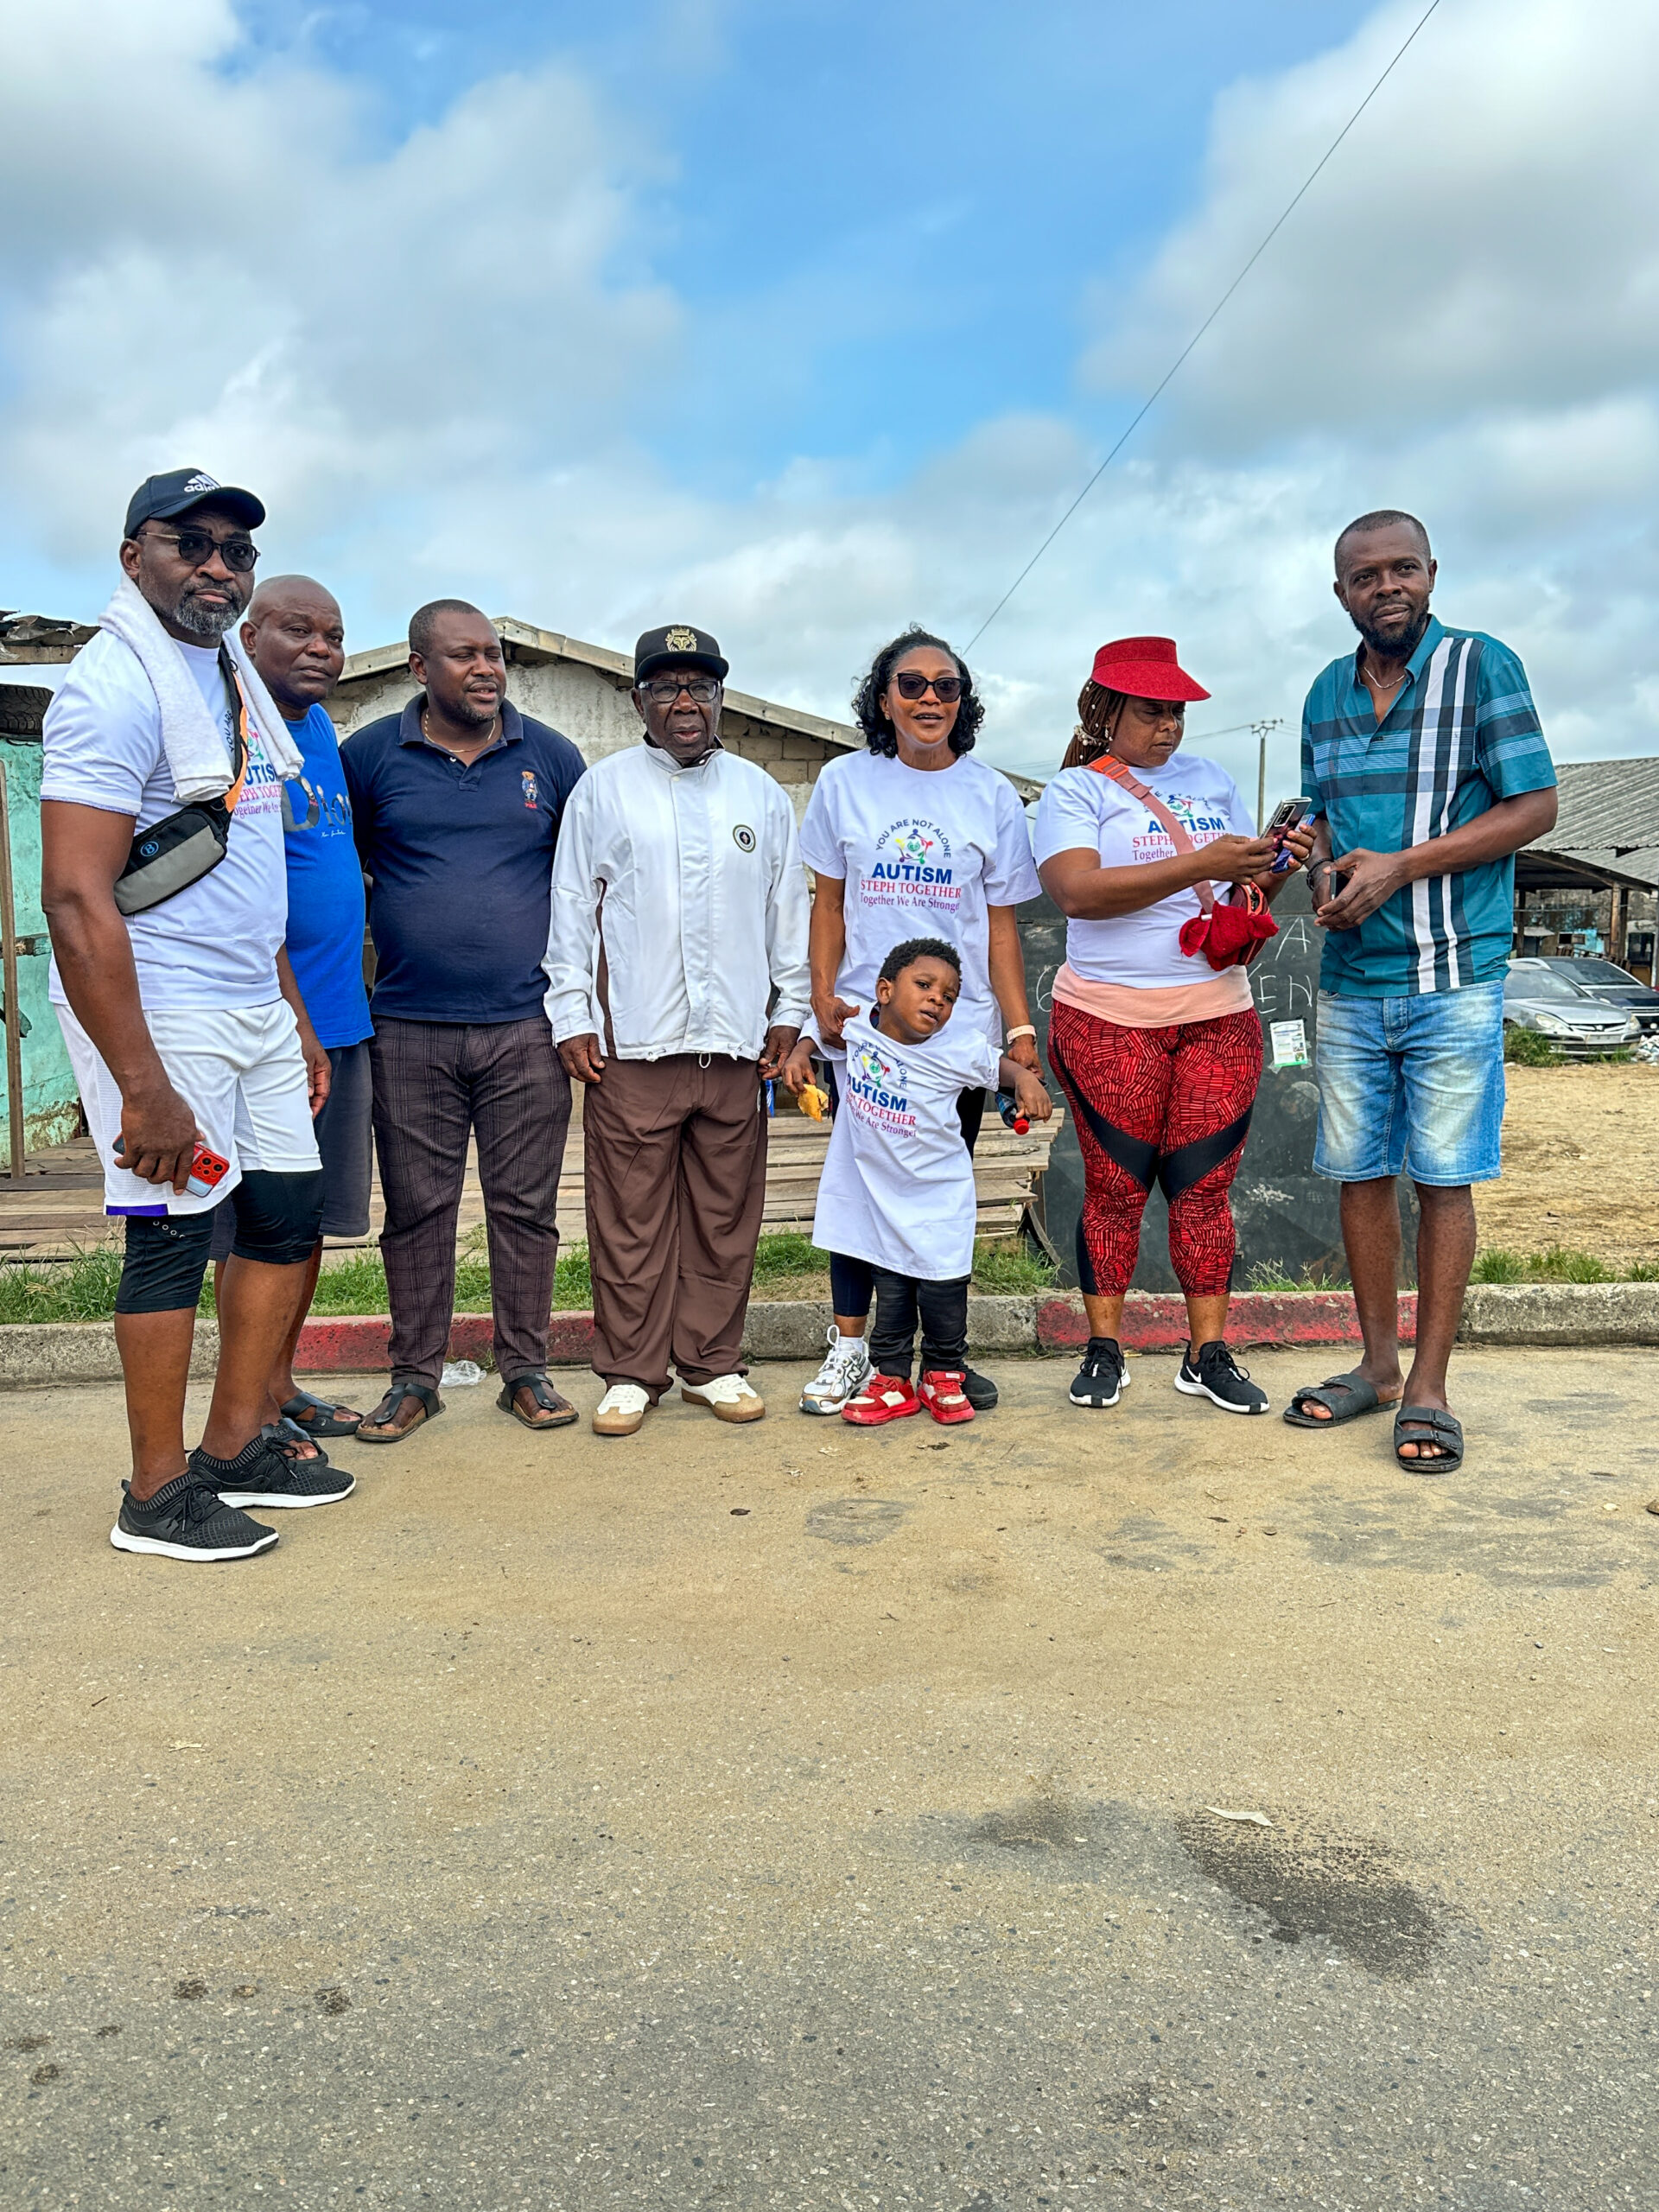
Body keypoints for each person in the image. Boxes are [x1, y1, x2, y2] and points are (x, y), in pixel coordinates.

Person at [41, 467, 355, 1562]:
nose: (218, 565)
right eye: (192, 543)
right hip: (161, 1006)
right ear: (136, 556)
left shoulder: (226, 671)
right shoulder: (110, 686)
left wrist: (295, 1014)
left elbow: (247, 851)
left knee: (284, 1213)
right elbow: (78, 898)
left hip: (250, 1000)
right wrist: (140, 1084)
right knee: (169, 1242)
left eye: (237, 550)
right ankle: (157, 1491)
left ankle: (235, 1444)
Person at [1285, 512, 1557, 1470]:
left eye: (1403, 568)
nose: (1385, 586)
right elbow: (1322, 824)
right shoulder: (1324, 691)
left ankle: (1432, 1386)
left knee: (1443, 1176)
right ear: (1341, 592)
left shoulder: (1484, 666)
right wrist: (1322, 878)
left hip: (1454, 977)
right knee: (1359, 1173)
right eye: (1365, 576)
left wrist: (1400, 867)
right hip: (1355, 980)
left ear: (1432, 573)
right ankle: (1377, 1367)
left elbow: (1535, 807)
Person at [1034, 636, 1313, 1416]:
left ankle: (1207, 1353)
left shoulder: (1212, 781)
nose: (1169, 726)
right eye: (1151, 710)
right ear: (1104, 709)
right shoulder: (1076, 793)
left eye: (1178, 712)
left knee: (1205, 1189)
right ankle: (1104, 1349)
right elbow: (1078, 893)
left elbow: (1243, 887)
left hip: (1215, 1011)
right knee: (1116, 1188)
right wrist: (1200, 864)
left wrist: (1278, 862)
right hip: (1107, 1017)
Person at [544, 623, 810, 1438]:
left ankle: (712, 1365)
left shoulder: (760, 796)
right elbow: (570, 910)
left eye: (700, 686)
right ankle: (631, 1372)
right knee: (630, 1217)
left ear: (721, 698)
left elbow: (786, 916)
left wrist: (789, 1012)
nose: (685, 700)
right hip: (636, 1047)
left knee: (725, 1217)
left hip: (735, 1044)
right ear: (640, 701)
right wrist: (572, 1016)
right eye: (667, 687)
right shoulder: (604, 790)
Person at [340, 601, 586, 1441]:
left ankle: (526, 1370)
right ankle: (416, 1378)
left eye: (495, 655)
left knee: (526, 1211)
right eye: (464, 656)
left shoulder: (550, 757)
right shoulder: (370, 757)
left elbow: (588, 886)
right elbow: (344, 873)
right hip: (408, 1025)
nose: (486, 669)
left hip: (526, 1026)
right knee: (416, 1211)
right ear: (418, 668)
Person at [788, 626, 1041, 1418]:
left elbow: (1001, 929)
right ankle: (856, 1353)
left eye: (946, 687)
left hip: (955, 1036)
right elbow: (827, 904)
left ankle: (940, 1361)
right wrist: (819, 1002)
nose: (930, 699)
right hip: (867, 1029)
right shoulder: (844, 784)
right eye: (912, 685)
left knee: (938, 1193)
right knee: (861, 1190)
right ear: (883, 698)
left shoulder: (990, 795)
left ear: (963, 703)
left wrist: (1020, 1032)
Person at [207, 575, 372, 1443]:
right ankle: (246, 1411)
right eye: (299, 631)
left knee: (306, 1228)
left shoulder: (313, 731)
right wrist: (296, 1019)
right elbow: (243, 900)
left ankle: (278, 1385)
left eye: (334, 636)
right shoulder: (228, 725)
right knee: (262, 1231)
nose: (321, 650)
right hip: (275, 1029)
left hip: (340, 1024)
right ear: (249, 632)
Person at [797, 938, 1051, 1426]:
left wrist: (1024, 1083)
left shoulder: (958, 1047)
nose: (938, 999)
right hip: (883, 1200)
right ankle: (892, 1379)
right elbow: (819, 1030)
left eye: (950, 996)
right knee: (890, 1288)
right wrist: (800, 1055)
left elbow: (1002, 1068)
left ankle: (943, 1372)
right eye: (925, 986)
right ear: (885, 991)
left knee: (942, 1292)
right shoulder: (858, 1027)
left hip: (939, 1200)